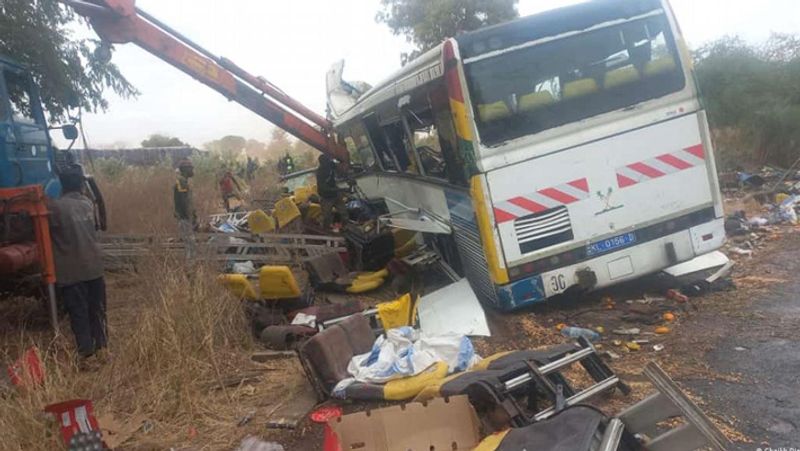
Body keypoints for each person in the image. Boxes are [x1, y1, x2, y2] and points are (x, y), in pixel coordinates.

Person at [48, 164, 107, 361]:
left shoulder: (55, 208)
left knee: (78, 312)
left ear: (61, 184)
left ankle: (86, 353)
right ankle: (102, 347)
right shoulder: (87, 204)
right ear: (81, 184)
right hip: (95, 268)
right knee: (97, 310)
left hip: (72, 273)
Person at [316, 154, 347, 230]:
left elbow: (340, 169)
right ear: (322, 163)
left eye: (328, 161)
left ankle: (345, 228)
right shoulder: (320, 173)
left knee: (344, 213)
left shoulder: (331, 164)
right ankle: (327, 232)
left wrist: (346, 175)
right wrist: (339, 190)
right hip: (326, 197)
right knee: (326, 217)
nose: (328, 163)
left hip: (336, 194)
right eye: (326, 161)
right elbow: (324, 187)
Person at [174, 158, 197, 258]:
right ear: (185, 169)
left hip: (186, 217)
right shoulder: (181, 182)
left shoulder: (183, 181)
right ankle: (190, 268)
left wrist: (194, 214)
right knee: (190, 244)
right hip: (184, 218)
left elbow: (188, 201)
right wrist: (190, 216)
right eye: (191, 168)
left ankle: (191, 266)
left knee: (190, 243)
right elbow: (184, 201)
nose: (193, 170)